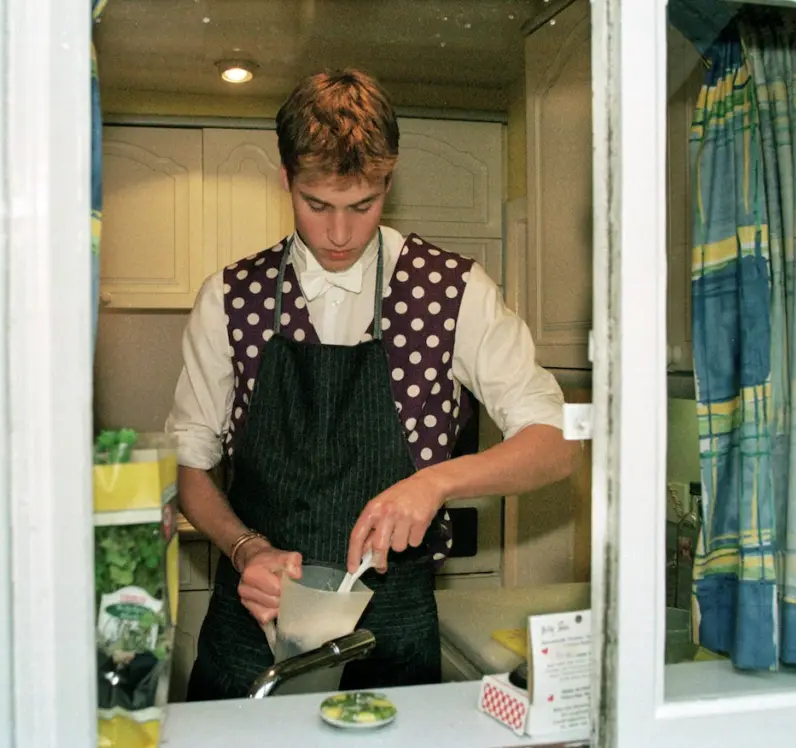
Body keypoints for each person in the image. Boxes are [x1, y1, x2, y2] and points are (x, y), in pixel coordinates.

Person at [165, 68, 579, 701]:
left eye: (363, 205)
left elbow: (554, 444)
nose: (339, 234)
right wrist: (245, 548)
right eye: (317, 204)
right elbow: (192, 470)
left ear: (389, 179)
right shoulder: (229, 298)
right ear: (286, 181)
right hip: (254, 625)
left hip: (393, 633)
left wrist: (435, 481)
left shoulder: (454, 292)